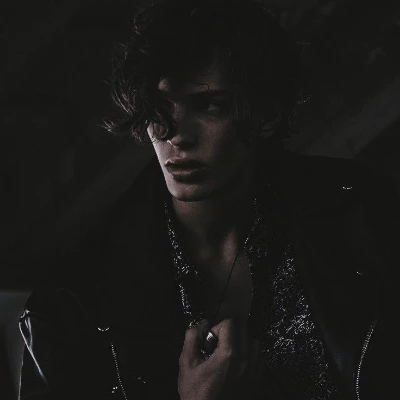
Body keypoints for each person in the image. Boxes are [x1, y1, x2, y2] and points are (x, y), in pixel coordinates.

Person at [18, 0, 398, 399]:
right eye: (160, 107)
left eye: (208, 105)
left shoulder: (366, 218)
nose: (176, 135)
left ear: (266, 113)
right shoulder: (73, 306)